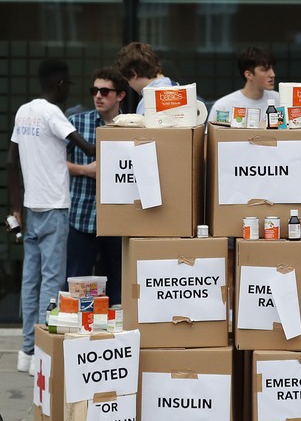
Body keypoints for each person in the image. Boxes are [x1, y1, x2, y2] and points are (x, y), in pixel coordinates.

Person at [7, 60, 96, 375]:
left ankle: (27, 351)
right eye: (69, 84)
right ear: (60, 85)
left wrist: (16, 208)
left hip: (31, 209)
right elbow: (84, 147)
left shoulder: (23, 112)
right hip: (56, 208)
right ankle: (43, 355)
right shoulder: (52, 113)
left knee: (30, 281)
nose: (70, 89)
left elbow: (11, 161)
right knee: (52, 282)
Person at [66, 67, 128, 306]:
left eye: (105, 91)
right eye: (94, 90)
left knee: (118, 291)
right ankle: (77, 339)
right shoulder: (76, 123)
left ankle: (114, 340)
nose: (98, 96)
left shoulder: (132, 127)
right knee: (77, 288)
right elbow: (53, 164)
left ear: (120, 95)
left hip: (118, 221)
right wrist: (85, 170)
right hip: (81, 218)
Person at [207, 46, 280, 124]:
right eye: (265, 70)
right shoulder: (223, 107)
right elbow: (210, 135)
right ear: (249, 74)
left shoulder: (280, 101)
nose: (272, 74)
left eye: (272, 68)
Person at [116, 41, 177, 114]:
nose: (129, 85)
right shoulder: (180, 90)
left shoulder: (148, 103)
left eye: (128, 81)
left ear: (134, 74)